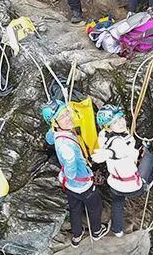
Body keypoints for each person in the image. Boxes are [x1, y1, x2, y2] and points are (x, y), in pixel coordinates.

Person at [43, 100, 110, 246]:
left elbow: (48, 138)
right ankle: (97, 232)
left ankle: (76, 237)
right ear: (55, 122)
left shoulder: (55, 133)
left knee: (75, 209)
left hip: (70, 187)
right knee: (95, 207)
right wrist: (70, 172)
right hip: (82, 184)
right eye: (63, 117)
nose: (68, 118)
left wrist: (63, 177)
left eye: (67, 113)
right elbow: (72, 172)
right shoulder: (67, 147)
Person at [91, 105, 153, 237]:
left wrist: (108, 153)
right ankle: (148, 182)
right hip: (134, 188)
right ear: (108, 126)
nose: (121, 123)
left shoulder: (103, 135)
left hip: (115, 185)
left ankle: (117, 229)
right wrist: (110, 153)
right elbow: (119, 151)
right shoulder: (118, 143)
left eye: (120, 118)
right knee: (150, 158)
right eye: (114, 122)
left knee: (117, 202)